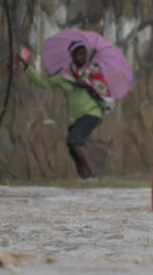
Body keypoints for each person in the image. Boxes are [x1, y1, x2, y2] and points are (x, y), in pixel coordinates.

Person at [14, 41, 111, 179]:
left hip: (91, 113)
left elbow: (102, 89)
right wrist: (25, 65)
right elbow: (43, 82)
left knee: (74, 141)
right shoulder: (64, 75)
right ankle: (84, 179)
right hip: (74, 118)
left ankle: (91, 176)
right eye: (78, 54)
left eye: (84, 53)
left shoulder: (91, 71)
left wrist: (86, 85)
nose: (82, 57)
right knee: (72, 148)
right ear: (72, 56)